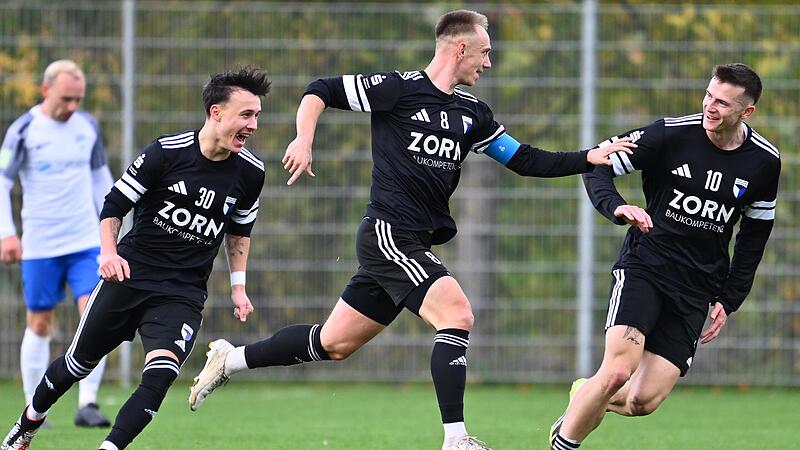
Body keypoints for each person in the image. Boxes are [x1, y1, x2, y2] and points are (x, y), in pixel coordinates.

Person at [187, 10, 635, 450]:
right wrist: (303, 139)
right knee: (457, 313)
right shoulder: (397, 90)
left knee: (334, 343)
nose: (489, 62)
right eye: (485, 51)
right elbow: (318, 91)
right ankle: (456, 439)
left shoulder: (473, 113)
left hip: (411, 241)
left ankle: (232, 358)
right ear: (460, 48)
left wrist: (588, 157)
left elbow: (525, 159)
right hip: (388, 232)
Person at [1, 66, 270, 450]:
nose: (254, 125)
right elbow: (113, 204)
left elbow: (239, 232)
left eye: (257, 115)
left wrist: (238, 287)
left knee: (159, 377)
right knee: (76, 365)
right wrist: (108, 253)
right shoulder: (167, 152)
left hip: (181, 294)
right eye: (246, 114)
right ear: (216, 113)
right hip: (129, 278)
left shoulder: (251, 172)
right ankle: (27, 423)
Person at [549, 63, 780, 450]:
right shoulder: (670, 135)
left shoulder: (764, 162)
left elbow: (754, 237)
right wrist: (618, 208)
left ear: (747, 112)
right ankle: (565, 442)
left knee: (642, 401)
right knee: (618, 372)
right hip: (646, 267)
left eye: (722, 103)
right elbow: (597, 164)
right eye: (708, 95)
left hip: (695, 287)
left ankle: (582, 398)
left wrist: (729, 297)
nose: (710, 106)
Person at [0, 59, 114, 428]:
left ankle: (88, 404)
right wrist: (6, 232)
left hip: (85, 241)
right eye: (66, 99)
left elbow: (101, 179)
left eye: (78, 99)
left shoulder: (88, 126)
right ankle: (37, 407)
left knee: (96, 316)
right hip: (41, 245)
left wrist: (113, 230)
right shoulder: (24, 130)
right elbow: (2, 182)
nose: (72, 107)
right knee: (40, 323)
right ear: (45, 90)